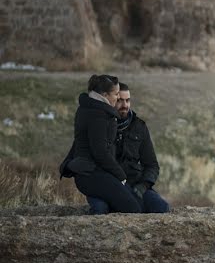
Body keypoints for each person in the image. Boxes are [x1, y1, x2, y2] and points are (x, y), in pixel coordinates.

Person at [59, 74, 142, 213]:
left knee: (126, 203)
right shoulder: (98, 115)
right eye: (116, 94)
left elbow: (81, 141)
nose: (117, 98)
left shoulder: (91, 108)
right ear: (104, 94)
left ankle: (98, 204)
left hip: (97, 172)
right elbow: (100, 152)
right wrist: (120, 175)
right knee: (132, 208)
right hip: (90, 174)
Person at [84, 82, 170, 214]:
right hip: (106, 187)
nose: (125, 105)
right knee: (100, 210)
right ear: (111, 101)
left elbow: (152, 165)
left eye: (128, 100)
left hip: (134, 185)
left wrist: (144, 185)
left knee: (161, 207)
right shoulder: (99, 124)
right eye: (120, 101)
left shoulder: (139, 127)